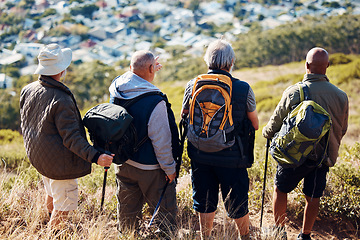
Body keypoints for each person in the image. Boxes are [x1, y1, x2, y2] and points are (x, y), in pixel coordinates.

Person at [20, 44, 114, 232]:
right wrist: (96, 157)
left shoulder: (28, 89)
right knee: (64, 205)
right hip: (59, 164)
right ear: (62, 70)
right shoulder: (61, 99)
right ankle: (54, 234)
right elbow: (72, 139)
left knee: (53, 194)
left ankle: (47, 224)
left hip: (41, 158)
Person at [262, 47, 348, 240]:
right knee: (313, 196)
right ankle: (305, 235)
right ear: (327, 66)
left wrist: (266, 134)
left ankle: (279, 232)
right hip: (322, 157)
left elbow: (275, 123)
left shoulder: (294, 92)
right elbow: (343, 129)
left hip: (294, 154)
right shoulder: (341, 96)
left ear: (307, 65)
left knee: (280, 189)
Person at [181, 39, 259, 240]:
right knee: (238, 201)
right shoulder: (243, 88)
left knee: (204, 200)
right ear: (231, 61)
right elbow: (255, 124)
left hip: (200, 153)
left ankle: (205, 237)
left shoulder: (192, 85)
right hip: (232, 156)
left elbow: (184, 116)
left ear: (207, 59)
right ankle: (245, 237)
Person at [109, 50, 177, 237]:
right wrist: (170, 169)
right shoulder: (155, 101)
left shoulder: (116, 91)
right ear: (150, 68)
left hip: (123, 163)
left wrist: (146, 67)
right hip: (150, 168)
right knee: (165, 214)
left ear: (130, 68)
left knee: (127, 213)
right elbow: (161, 141)